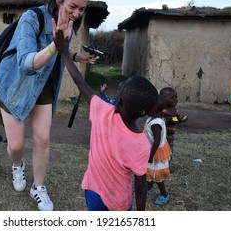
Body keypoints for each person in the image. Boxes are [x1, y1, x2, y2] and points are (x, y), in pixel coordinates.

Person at [0, 0, 98, 211]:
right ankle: (17, 164)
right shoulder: (32, 18)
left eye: (82, 10)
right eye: (73, 6)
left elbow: (63, 49)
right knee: (17, 146)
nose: (77, 14)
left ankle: (38, 187)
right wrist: (56, 43)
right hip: (16, 86)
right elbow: (26, 63)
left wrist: (75, 55)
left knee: (43, 139)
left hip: (44, 86)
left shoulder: (68, 26)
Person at [53, 18, 158, 211]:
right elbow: (140, 185)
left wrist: (64, 52)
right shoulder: (142, 144)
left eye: (120, 89)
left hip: (94, 193)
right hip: (119, 203)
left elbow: (79, 81)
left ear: (119, 101)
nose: (117, 89)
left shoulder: (103, 112)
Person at [144, 95, 172, 206]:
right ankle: (149, 187)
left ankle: (164, 194)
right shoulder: (151, 119)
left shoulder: (156, 123)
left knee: (156, 173)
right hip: (151, 149)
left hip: (157, 152)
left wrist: (151, 155)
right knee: (148, 169)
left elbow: (157, 141)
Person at [160, 87, 188, 158]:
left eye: (176, 97)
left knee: (169, 154)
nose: (175, 99)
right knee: (160, 154)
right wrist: (173, 119)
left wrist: (181, 119)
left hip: (170, 137)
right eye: (172, 98)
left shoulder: (175, 110)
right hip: (160, 138)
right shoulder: (162, 111)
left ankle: (166, 167)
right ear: (162, 99)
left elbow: (176, 120)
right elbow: (161, 122)